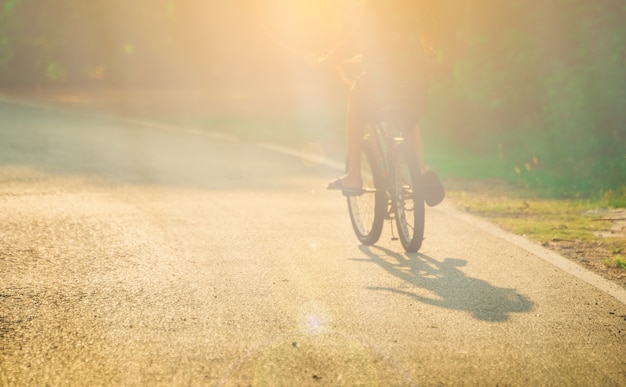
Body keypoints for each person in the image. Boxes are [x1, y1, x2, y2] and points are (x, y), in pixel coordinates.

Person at [326, 0, 444, 206]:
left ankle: (354, 175)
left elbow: (350, 31)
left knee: (355, 97)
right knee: (408, 115)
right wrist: (428, 49)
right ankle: (420, 169)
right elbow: (429, 26)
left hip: (380, 85)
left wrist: (331, 56)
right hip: (415, 84)